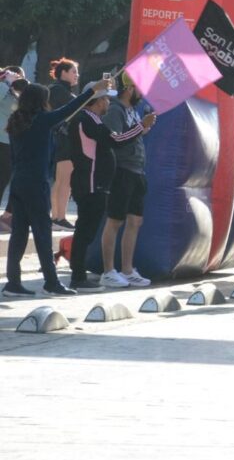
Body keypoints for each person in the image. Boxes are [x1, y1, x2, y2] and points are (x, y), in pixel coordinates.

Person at [3, 76, 110, 297]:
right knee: (42, 233)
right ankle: (51, 283)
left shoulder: (16, 121)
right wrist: (93, 91)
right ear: (41, 101)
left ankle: (13, 283)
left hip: (19, 183)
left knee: (19, 235)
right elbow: (70, 109)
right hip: (36, 184)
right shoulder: (42, 120)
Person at [67, 87, 154, 291]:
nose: (108, 102)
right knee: (85, 231)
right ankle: (80, 276)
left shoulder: (93, 119)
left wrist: (140, 128)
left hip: (98, 181)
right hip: (89, 180)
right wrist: (140, 126)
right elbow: (116, 140)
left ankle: (114, 271)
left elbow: (114, 139)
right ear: (96, 102)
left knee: (87, 230)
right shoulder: (86, 119)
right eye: (105, 99)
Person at [97, 73, 156, 288]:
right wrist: (141, 127)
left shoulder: (131, 110)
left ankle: (128, 269)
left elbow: (130, 135)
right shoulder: (115, 109)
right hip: (121, 171)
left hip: (137, 170)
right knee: (115, 220)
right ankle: (108, 270)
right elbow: (115, 139)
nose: (142, 94)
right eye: (139, 88)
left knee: (135, 221)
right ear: (129, 89)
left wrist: (144, 127)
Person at [48, 57, 80, 229]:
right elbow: (73, 110)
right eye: (74, 71)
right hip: (61, 139)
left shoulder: (65, 91)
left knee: (65, 180)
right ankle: (57, 217)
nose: (77, 75)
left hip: (67, 140)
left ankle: (60, 216)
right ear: (63, 73)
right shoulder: (57, 90)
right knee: (62, 180)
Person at [0, 66, 26, 233]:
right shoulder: (3, 90)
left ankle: (7, 216)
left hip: (10, 142)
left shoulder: (15, 94)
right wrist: (6, 82)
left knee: (6, 178)